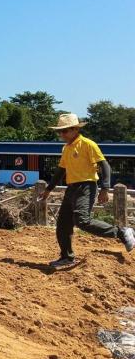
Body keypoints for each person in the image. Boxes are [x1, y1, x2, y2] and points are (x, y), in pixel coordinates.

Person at [41, 113, 135, 268]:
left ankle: (121, 232)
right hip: (71, 188)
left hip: (86, 186)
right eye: (59, 131)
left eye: (64, 131)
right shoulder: (66, 148)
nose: (61, 134)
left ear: (75, 129)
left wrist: (105, 188)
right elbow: (60, 171)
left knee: (82, 220)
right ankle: (67, 257)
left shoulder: (88, 144)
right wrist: (48, 189)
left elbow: (104, 165)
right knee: (63, 224)